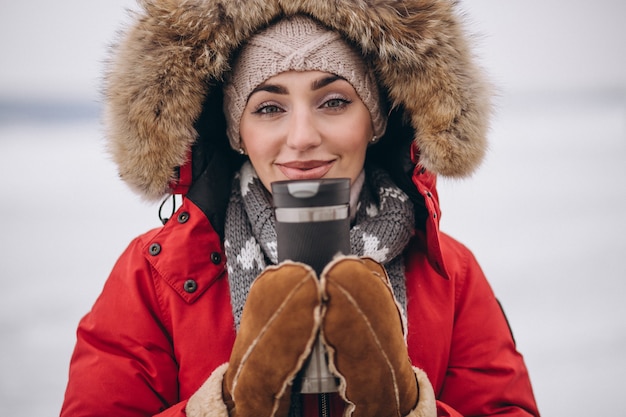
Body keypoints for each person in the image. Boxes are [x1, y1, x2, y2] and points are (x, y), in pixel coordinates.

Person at [61, 1, 540, 416]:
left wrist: (408, 404)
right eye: (269, 108)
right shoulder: (157, 276)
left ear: (374, 120)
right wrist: (222, 407)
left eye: (334, 101)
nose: (303, 137)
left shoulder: (448, 273)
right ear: (237, 134)